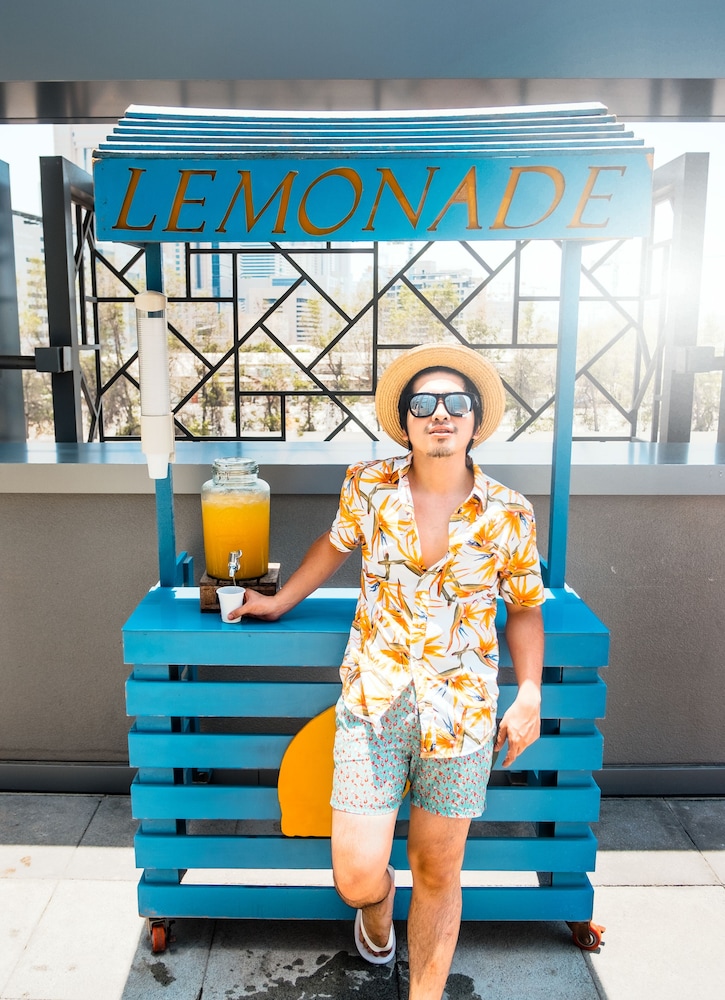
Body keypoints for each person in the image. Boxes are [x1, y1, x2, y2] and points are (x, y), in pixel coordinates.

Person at [231, 343, 545, 1000]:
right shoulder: (369, 485)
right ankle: (376, 909)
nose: (440, 414)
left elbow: (522, 608)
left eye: (455, 403)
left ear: (474, 420)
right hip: (374, 702)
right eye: (423, 403)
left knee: (439, 870)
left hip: (460, 713)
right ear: (405, 422)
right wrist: (280, 601)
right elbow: (333, 545)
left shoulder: (509, 512)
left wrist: (529, 694)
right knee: (354, 875)